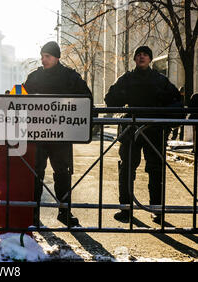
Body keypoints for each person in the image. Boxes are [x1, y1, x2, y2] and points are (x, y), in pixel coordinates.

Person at [105, 46, 181, 224]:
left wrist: (162, 112)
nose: (141, 57)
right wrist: (124, 96)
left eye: (145, 54)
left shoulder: (160, 80)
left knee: (155, 170)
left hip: (154, 130)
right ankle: (126, 209)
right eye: (138, 54)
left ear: (150, 59)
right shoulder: (127, 79)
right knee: (127, 169)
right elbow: (110, 98)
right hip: (132, 129)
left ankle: (156, 209)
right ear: (134, 59)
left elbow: (176, 101)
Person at [23, 41, 92, 227]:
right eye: (42, 56)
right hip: (38, 135)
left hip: (61, 136)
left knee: (62, 173)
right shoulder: (35, 77)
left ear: (57, 57)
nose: (43, 59)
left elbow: (86, 98)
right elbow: (20, 97)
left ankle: (64, 212)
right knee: (36, 173)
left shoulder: (70, 77)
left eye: (48, 56)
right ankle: (33, 213)